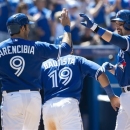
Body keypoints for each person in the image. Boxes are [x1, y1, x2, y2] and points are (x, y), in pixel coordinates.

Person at [0, 8, 72, 130]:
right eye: (27, 26)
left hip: (11, 98)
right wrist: (66, 27)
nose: (29, 29)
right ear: (22, 28)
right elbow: (66, 49)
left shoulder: (1, 48)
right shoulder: (37, 46)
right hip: (33, 98)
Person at [40, 35, 120, 130]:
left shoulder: (44, 65)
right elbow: (100, 73)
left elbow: (34, 86)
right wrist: (111, 95)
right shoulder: (77, 60)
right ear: (71, 48)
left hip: (48, 107)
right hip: (68, 104)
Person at [79, 9, 130, 130]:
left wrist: (94, 27)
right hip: (125, 95)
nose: (117, 26)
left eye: (120, 24)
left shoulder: (128, 40)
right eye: (116, 23)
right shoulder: (123, 47)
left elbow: (112, 38)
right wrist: (112, 68)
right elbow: (121, 76)